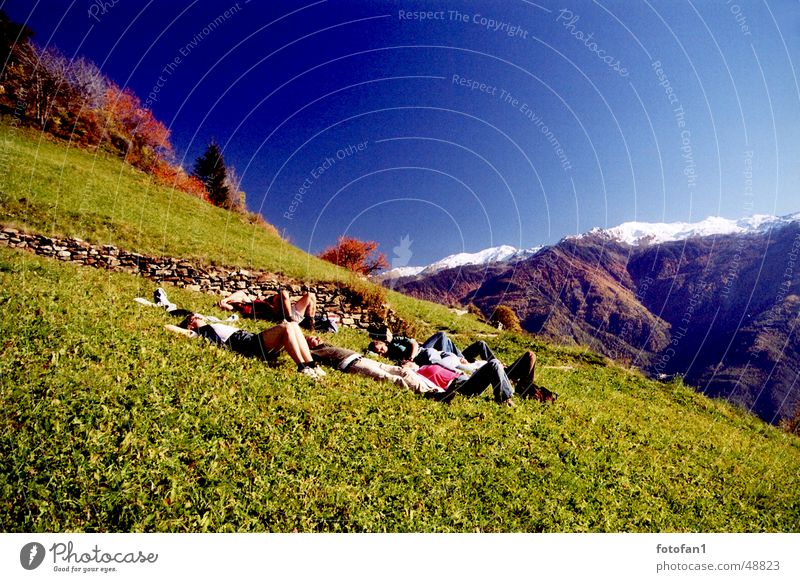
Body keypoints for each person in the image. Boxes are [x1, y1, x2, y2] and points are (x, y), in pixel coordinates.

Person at [165, 313, 326, 379]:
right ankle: (302, 367)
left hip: (253, 340)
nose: (199, 316)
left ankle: (312, 364)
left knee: (293, 325)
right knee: (286, 326)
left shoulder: (209, 326)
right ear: (191, 324)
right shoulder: (202, 332)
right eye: (195, 317)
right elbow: (168, 328)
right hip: (249, 345)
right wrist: (184, 329)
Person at [305, 336, 441, 394]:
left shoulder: (326, 346)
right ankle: (426, 393)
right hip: (353, 365)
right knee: (389, 378)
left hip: (364, 359)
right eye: (311, 339)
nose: (316, 338)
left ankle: (436, 391)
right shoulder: (314, 352)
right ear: (306, 344)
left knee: (401, 371)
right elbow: (301, 352)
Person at [415, 359, 515, 406]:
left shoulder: (431, 362)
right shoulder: (417, 373)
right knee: (494, 364)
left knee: (496, 363)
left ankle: (506, 395)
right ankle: (504, 398)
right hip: (460, 387)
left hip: (465, 380)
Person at [217, 289, 317, 330]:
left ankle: (310, 325)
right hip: (278, 314)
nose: (238, 300)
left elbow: (241, 293)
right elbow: (229, 306)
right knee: (283, 293)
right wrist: (226, 304)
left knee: (310, 296)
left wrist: (226, 299)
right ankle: (289, 321)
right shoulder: (242, 308)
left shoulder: (249, 302)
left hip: (288, 311)